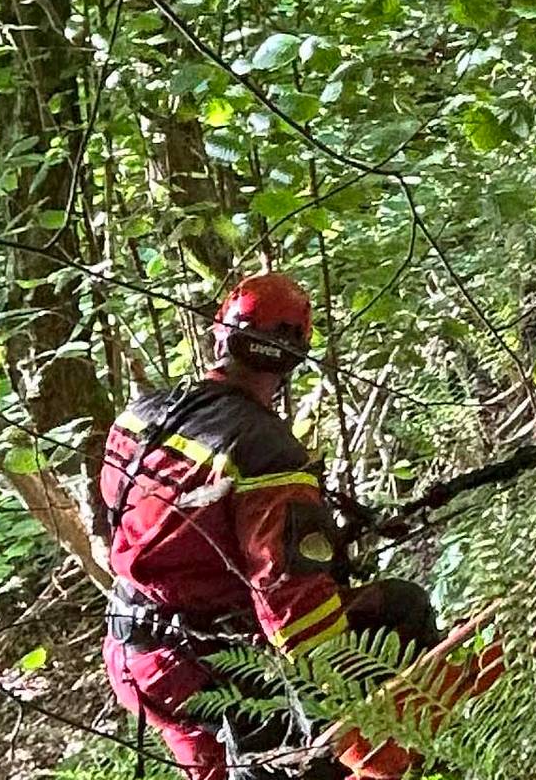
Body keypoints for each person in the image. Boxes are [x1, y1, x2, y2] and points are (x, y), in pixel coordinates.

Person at [99, 273, 440, 779]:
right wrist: (349, 696)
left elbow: (136, 519)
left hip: (133, 652)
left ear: (220, 334)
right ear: (294, 355)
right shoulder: (266, 453)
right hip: (207, 664)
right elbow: (293, 605)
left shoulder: (142, 414)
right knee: (400, 610)